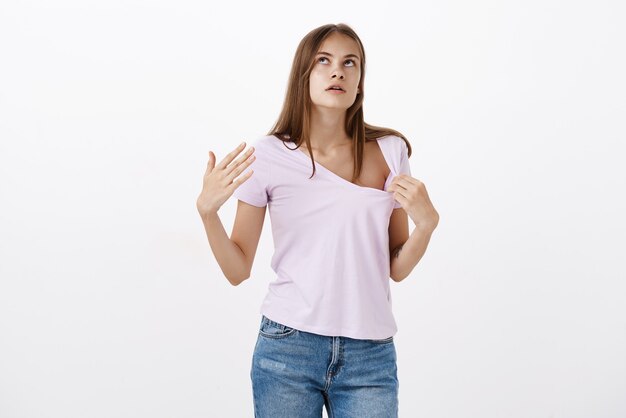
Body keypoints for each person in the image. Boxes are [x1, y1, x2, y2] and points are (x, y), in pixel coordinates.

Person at [196, 23, 439, 418]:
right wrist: (208, 214)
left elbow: (396, 267)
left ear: (360, 81)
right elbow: (237, 269)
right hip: (287, 349)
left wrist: (426, 227)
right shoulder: (267, 156)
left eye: (350, 63)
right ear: (303, 75)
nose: (337, 71)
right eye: (323, 61)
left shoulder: (391, 151)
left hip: (370, 355)